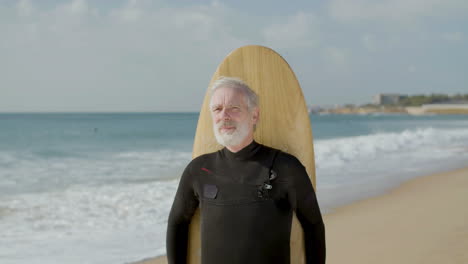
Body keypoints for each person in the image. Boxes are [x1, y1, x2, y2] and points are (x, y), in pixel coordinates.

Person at [166, 77, 326, 264]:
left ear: (254, 115)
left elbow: (313, 225)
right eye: (217, 109)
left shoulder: (285, 167)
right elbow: (177, 224)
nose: (224, 115)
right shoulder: (199, 169)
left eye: (234, 108)